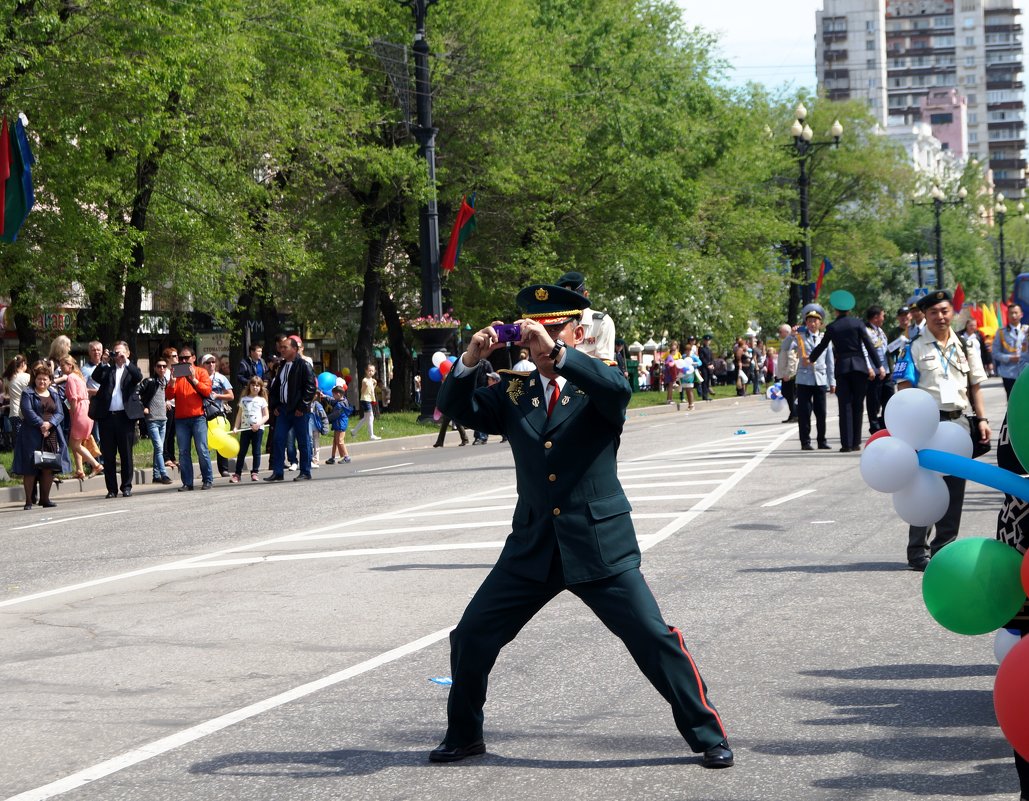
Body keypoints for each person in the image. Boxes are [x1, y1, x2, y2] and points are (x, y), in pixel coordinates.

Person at [429, 283, 732, 768]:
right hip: (533, 547)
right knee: (470, 636)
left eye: (551, 329)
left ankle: (706, 733)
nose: (538, 339)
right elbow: (459, 410)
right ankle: (464, 734)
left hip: (596, 543)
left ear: (577, 330)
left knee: (653, 638)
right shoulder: (514, 389)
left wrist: (560, 356)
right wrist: (468, 360)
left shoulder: (599, 382)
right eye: (533, 331)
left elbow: (617, 393)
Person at [893, 289, 990, 571]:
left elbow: (975, 386)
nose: (940, 317)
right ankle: (917, 551)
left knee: (955, 489)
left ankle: (944, 549)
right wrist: (906, 428)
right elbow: (904, 388)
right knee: (923, 487)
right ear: (925, 315)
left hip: (958, 424)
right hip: (926, 427)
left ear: (953, 313)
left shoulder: (966, 345)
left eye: (945, 311)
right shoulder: (912, 347)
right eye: (934, 312)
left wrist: (982, 419)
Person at [807, 290, 883, 453]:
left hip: (842, 368)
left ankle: (846, 444)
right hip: (859, 368)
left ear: (835, 310)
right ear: (849, 309)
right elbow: (869, 345)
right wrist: (879, 365)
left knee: (845, 406)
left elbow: (822, 345)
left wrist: (811, 358)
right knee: (858, 405)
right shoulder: (858, 324)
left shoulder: (833, 327)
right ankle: (856, 442)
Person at [12, 363, 72, 510]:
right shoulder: (28, 393)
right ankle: (28, 501)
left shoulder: (54, 394)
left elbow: (60, 413)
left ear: (49, 380)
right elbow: (27, 411)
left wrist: (49, 424)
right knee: (30, 467)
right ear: (35, 379)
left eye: (45, 379)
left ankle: (45, 499)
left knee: (48, 466)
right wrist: (41, 424)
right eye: (40, 379)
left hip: (51, 434)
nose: (42, 382)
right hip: (31, 434)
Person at [90, 341, 143, 498]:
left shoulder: (130, 369)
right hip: (108, 417)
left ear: (127, 354)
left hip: (125, 417)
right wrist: (104, 362)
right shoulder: (108, 370)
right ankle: (111, 489)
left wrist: (125, 362)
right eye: (115, 353)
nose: (118, 356)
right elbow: (95, 376)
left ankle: (126, 486)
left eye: (120, 353)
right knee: (108, 454)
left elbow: (138, 376)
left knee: (126, 453)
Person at [784, 304, 835, 451]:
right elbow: (786, 347)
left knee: (821, 412)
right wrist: (791, 335)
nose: (812, 324)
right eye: (809, 321)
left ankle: (822, 440)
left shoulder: (825, 338)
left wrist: (832, 381)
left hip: (820, 378)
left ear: (820, 323)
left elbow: (830, 362)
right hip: (804, 379)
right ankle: (805, 442)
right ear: (806, 323)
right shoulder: (800, 337)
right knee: (804, 413)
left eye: (815, 321)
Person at [266, 334, 316, 482]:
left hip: (299, 411)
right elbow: (276, 387)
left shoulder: (303, 365)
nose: (281, 350)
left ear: (294, 349)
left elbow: (310, 387)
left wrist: (302, 406)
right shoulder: (281, 365)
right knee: (278, 439)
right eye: (281, 347)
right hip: (283, 410)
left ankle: (305, 471)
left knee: (303, 441)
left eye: (285, 347)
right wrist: (275, 405)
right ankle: (278, 472)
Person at [165, 346, 214, 491]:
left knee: (202, 449)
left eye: (187, 358)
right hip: (181, 419)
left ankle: (207, 479)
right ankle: (187, 482)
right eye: (181, 358)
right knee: (183, 452)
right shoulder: (177, 374)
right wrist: (172, 382)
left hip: (198, 417)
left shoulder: (201, 372)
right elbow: (169, 396)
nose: (184, 360)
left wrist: (194, 379)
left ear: (193, 358)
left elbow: (207, 391)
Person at [59, 356, 103, 481]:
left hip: (79, 410)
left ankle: (96, 464)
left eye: (63, 366)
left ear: (70, 365)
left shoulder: (71, 378)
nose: (61, 368)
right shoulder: (79, 377)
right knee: (77, 442)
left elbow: (73, 398)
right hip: (86, 409)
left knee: (74, 443)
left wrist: (73, 415)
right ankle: (79, 470)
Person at [555, 270, 616, 361]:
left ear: (586, 295)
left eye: (574, 301)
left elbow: (604, 365)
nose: (570, 306)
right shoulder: (553, 323)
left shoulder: (602, 323)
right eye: (564, 302)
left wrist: (568, 357)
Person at [137, 357, 173, 485]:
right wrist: (143, 407)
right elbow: (136, 393)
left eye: (164, 366)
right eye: (159, 366)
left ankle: (156, 475)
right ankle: (164, 474)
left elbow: (168, 395)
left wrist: (167, 401)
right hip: (152, 419)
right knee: (159, 447)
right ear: (154, 368)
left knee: (159, 448)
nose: (162, 368)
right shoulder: (150, 381)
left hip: (163, 419)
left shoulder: (166, 382)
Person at [231, 376, 269, 482]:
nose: (255, 387)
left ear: (261, 388)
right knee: (242, 451)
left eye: (258, 386)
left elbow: (266, 416)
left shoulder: (262, 400)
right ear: (249, 386)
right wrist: (235, 427)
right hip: (245, 429)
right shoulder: (244, 400)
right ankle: (237, 474)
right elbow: (239, 415)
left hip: (258, 429)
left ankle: (255, 472)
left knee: (256, 451)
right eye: (253, 385)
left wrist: (258, 424)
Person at [203, 353, 234, 476]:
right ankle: (206, 470)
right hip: (203, 414)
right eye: (208, 362)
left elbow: (231, 396)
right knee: (205, 443)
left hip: (217, 413)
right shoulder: (199, 378)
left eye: (213, 362)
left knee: (220, 440)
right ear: (203, 365)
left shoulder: (221, 378)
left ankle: (224, 469)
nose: (211, 365)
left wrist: (217, 395)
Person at [863, 305, 891, 434]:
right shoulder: (866, 331)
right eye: (882, 315)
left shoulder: (880, 331)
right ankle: (874, 426)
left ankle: (884, 423)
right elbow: (865, 351)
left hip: (886, 371)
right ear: (875, 317)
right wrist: (869, 368)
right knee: (873, 401)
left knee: (889, 399)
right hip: (875, 372)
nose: (883, 318)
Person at [992, 302, 1028, 397]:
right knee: (1013, 400)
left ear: (1021, 314)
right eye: (1011, 313)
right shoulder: (1001, 332)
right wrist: (1009, 358)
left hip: (1025, 372)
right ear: (1007, 315)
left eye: (1016, 312)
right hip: (1009, 373)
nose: (1013, 315)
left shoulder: (1026, 331)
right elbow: (995, 353)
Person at [349, 364, 381, 441]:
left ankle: (354, 431)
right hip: (365, 399)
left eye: (372, 371)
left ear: (374, 372)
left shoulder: (371, 380)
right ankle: (371, 435)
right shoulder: (365, 380)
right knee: (371, 417)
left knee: (366, 418)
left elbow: (371, 390)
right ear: (366, 371)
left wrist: (375, 384)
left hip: (369, 399)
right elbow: (362, 391)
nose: (371, 372)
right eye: (369, 370)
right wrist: (365, 386)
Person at [775, 324, 798, 422]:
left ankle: (795, 414)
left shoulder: (791, 343)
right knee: (787, 393)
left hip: (789, 374)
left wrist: (789, 374)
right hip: (786, 373)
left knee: (790, 394)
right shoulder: (786, 342)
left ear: (787, 332)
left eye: (780, 332)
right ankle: (793, 414)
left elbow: (792, 359)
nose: (779, 334)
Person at [3, 355, 29, 440]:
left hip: (13, 412)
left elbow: (6, 395)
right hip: (26, 411)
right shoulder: (27, 377)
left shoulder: (8, 378)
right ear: (23, 364)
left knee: (18, 440)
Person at [325, 383, 352, 464]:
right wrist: (325, 397)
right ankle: (332, 457)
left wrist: (325, 419)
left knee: (340, 441)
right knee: (335, 441)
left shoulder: (340, 405)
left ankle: (346, 457)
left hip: (340, 425)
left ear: (338, 394)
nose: (333, 396)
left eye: (333, 395)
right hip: (338, 424)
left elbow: (334, 415)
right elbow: (333, 401)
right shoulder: (342, 400)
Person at [698, 334, 714, 400]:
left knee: (708, 381)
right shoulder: (701, 348)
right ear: (704, 341)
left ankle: (707, 394)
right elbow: (702, 358)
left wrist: (712, 364)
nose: (707, 342)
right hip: (704, 367)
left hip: (710, 367)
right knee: (704, 381)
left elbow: (711, 358)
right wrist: (707, 365)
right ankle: (704, 396)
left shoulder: (709, 349)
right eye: (706, 340)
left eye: (709, 340)